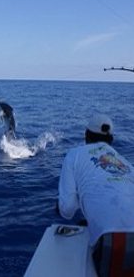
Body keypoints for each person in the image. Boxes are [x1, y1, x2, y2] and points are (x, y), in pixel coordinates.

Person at [58, 114, 134, 276]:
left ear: (86, 135)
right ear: (111, 140)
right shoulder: (127, 164)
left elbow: (67, 210)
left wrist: (59, 207)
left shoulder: (74, 155)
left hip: (116, 240)